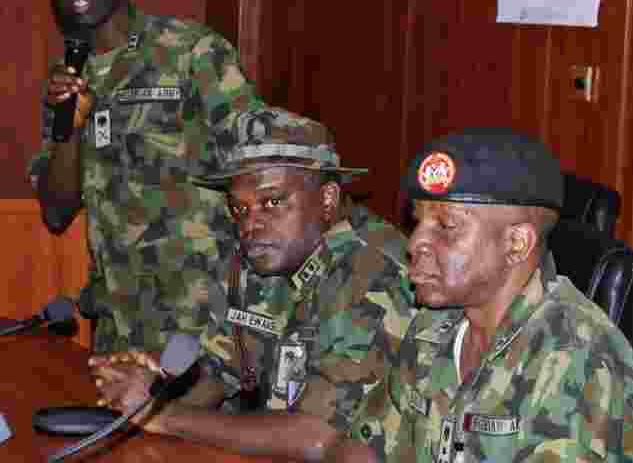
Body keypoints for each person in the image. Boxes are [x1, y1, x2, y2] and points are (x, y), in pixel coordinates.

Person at [90, 107, 417, 461]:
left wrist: (162, 416)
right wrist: (153, 393)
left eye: (273, 202)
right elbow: (221, 371)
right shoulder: (267, 257)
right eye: (239, 209)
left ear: (327, 200)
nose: (250, 226)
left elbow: (318, 435)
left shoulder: (373, 274)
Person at [328, 127, 633, 462]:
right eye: (418, 222)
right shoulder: (434, 328)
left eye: (446, 226)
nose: (414, 243)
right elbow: (366, 445)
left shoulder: (579, 361)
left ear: (516, 244)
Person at [26, 0, 262, 356]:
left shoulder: (192, 52)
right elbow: (56, 212)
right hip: (118, 324)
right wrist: (69, 130)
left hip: (202, 322)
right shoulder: (67, 80)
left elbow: (258, 165)